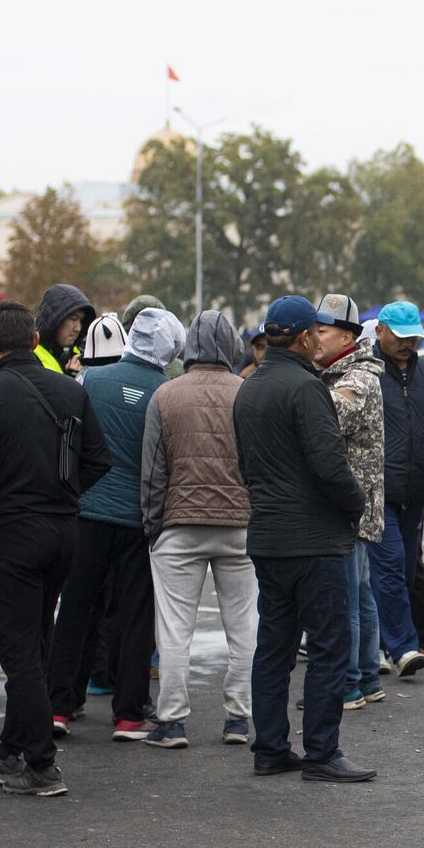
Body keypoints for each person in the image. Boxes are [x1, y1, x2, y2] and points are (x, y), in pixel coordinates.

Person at [0, 300, 111, 797]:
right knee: (35, 643)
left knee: (20, 653)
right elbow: (99, 461)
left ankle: (40, 763)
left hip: (13, 533)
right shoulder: (69, 389)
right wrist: (63, 494)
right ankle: (10, 746)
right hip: (64, 530)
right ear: (36, 340)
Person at [233, 295, 374, 783]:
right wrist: (355, 503)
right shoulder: (306, 388)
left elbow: (247, 466)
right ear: (300, 337)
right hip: (314, 538)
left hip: (268, 535)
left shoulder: (249, 389)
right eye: (314, 331)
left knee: (274, 646)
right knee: (330, 646)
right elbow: (329, 464)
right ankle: (321, 752)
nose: (319, 337)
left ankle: (270, 748)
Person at [46, 308, 182, 743]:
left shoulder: (89, 380)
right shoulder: (165, 392)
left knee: (76, 609)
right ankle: (128, 713)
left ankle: (59, 706)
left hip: (87, 513)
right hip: (138, 518)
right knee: (134, 614)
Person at [140, 310, 260, 748]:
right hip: (240, 526)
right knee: (244, 625)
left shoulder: (165, 395)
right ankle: (238, 717)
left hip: (180, 523)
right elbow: (258, 464)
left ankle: (171, 720)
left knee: (174, 629)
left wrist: (153, 526)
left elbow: (153, 471)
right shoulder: (246, 393)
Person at [310, 294, 387, 708]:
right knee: (360, 593)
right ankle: (369, 678)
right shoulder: (343, 373)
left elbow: (324, 420)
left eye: (321, 331)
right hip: (355, 503)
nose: (314, 338)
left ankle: (350, 683)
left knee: (348, 600)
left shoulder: (356, 379)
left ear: (346, 335)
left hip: (349, 506)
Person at [365, 300, 424, 675]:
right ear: (379, 331)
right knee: (390, 568)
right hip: (378, 492)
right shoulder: (365, 374)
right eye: (400, 337)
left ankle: (382, 644)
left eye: (412, 338)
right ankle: (402, 647)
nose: (407, 344)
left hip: (415, 492)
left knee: (406, 570)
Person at [33, 283, 96, 375]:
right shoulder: (30, 356)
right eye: (73, 319)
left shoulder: (81, 355)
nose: (78, 328)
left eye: (81, 321)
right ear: (54, 319)